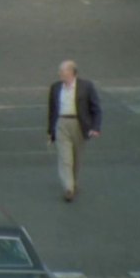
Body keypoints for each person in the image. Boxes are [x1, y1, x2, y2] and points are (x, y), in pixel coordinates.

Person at [47, 60, 102, 202]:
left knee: (76, 158)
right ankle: (68, 188)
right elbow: (52, 110)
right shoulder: (55, 88)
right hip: (61, 123)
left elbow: (96, 108)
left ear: (71, 72)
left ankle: (73, 182)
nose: (60, 73)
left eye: (63, 71)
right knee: (65, 158)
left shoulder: (86, 86)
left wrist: (95, 127)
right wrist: (50, 130)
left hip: (79, 124)